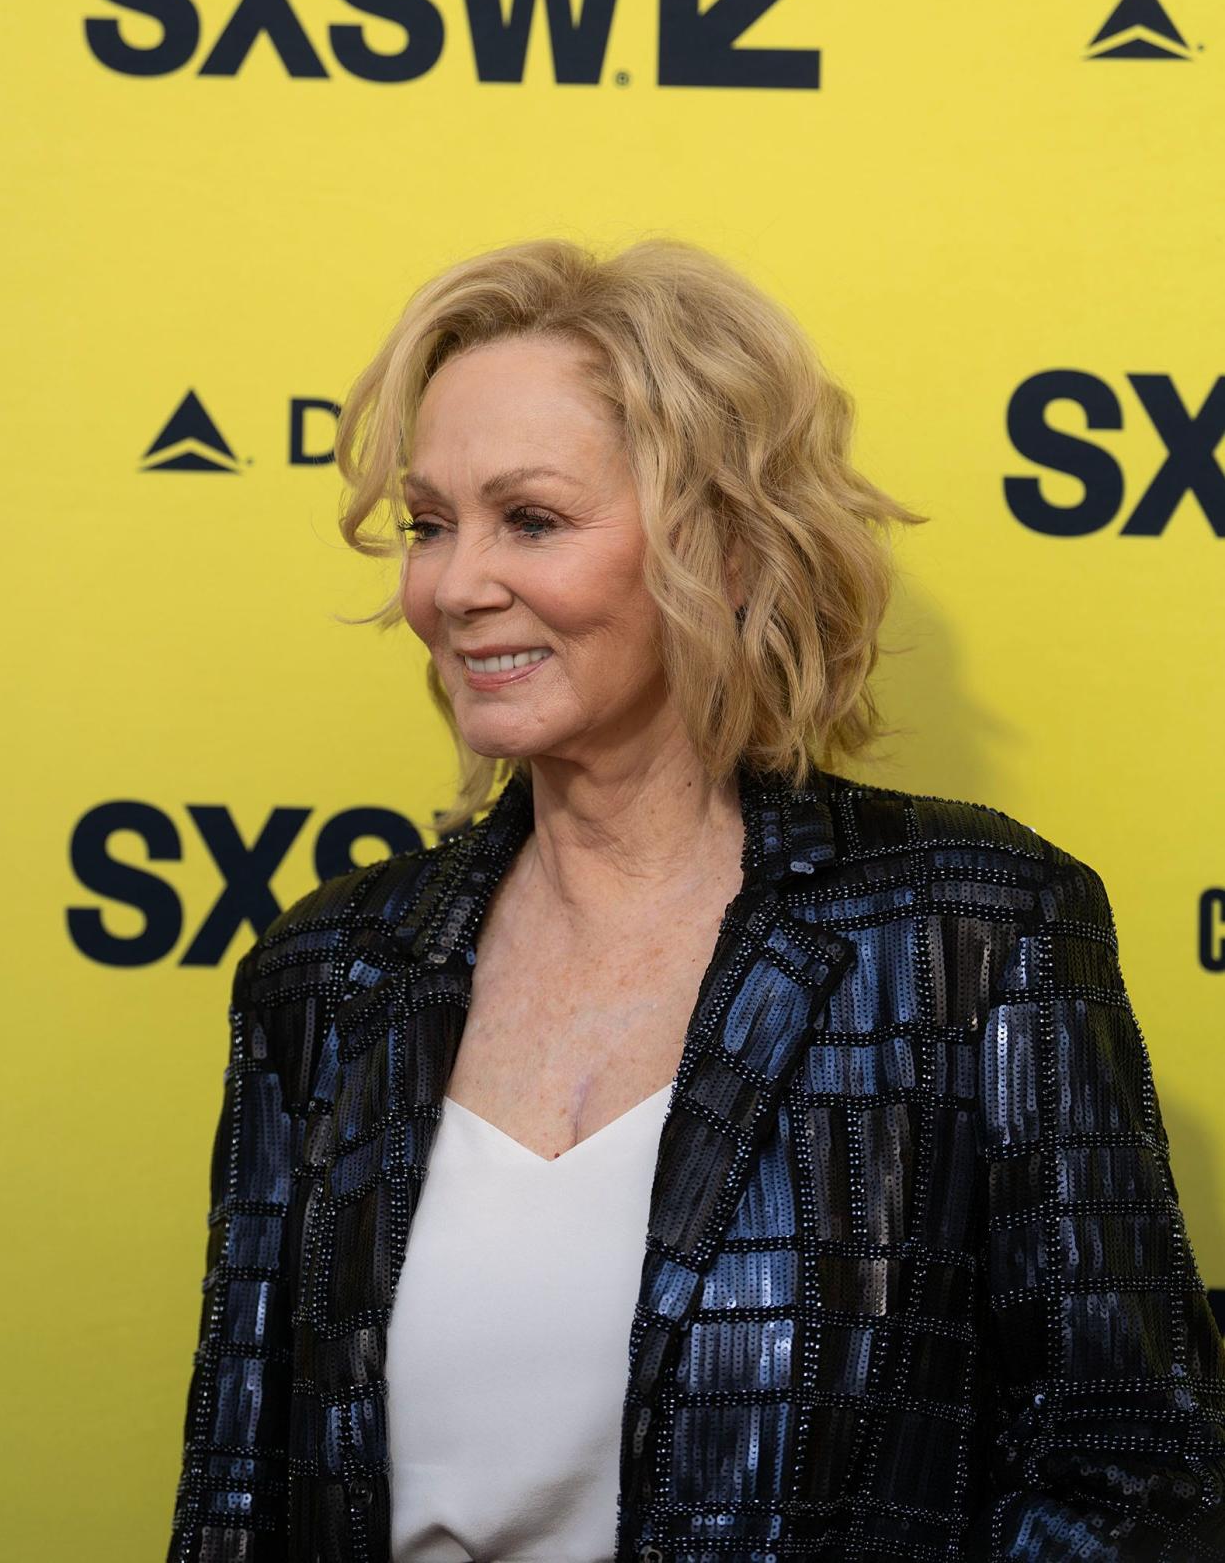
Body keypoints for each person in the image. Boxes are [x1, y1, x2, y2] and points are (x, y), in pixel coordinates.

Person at [167, 237, 1225, 1563]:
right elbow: (236, 1495)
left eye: (530, 518)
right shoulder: (325, 974)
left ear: (722, 549)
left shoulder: (969, 931)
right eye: (429, 524)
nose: (452, 585)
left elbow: (1130, 1474)